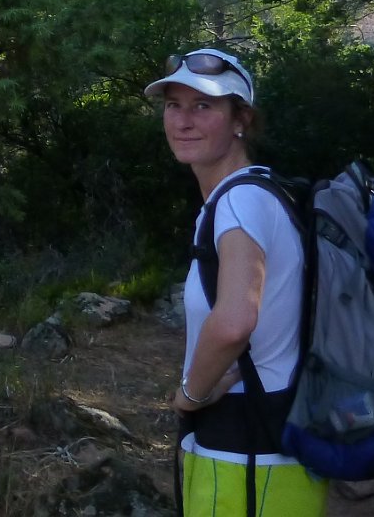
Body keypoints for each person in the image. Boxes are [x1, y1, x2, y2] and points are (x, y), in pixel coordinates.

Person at [149, 48, 325, 517]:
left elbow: (234, 323)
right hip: (269, 448)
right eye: (173, 105)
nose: (183, 120)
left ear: (241, 119)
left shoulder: (240, 202)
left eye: (203, 105)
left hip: (246, 457)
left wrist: (190, 395)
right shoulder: (262, 191)